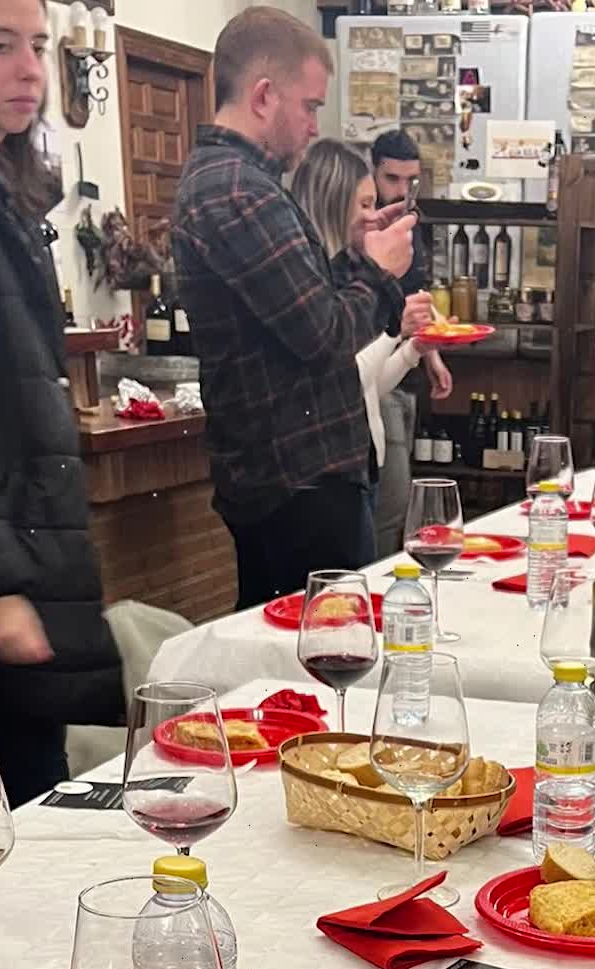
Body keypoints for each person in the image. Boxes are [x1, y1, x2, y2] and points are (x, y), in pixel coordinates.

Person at [172, 7, 416, 609]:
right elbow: (323, 335)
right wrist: (378, 271)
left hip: (296, 481)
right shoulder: (237, 189)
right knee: (324, 654)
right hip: (296, 486)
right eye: (309, 106)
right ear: (263, 96)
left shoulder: (243, 184)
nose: (314, 126)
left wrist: (357, 256)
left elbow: (302, 310)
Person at [0, 0, 122, 806]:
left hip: (29, 556)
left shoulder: (4, 187)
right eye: (0, 45)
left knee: (38, 797)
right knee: (23, 818)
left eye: (37, 44)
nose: (31, 68)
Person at [292, 140, 431, 520]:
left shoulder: (352, 270)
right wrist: (395, 330)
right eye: (365, 205)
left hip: (362, 464)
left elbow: (370, 388)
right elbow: (347, 379)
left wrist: (413, 349)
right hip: (329, 475)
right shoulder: (323, 284)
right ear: (334, 206)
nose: (374, 217)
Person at [371, 129, 452, 556]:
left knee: (399, 503)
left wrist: (431, 354)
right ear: (373, 173)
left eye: (410, 181)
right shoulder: (367, 231)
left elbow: (416, 297)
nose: (402, 191)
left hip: (406, 367)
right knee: (392, 503)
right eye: (392, 179)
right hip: (373, 373)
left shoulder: (411, 226)